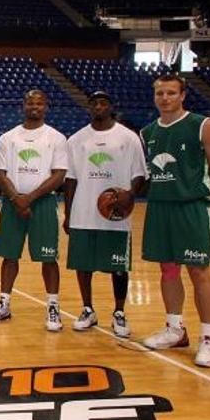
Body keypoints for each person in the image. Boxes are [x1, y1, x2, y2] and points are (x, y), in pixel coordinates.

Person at [139, 73, 210, 367]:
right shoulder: (147, 132)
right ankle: (175, 329)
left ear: (183, 95)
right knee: (168, 270)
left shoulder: (203, 126)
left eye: (171, 93)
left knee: (199, 272)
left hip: (192, 207)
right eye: (160, 93)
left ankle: (209, 339)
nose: (165, 98)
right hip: (159, 207)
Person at [63, 91, 146, 337]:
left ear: (111, 106)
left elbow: (140, 174)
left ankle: (119, 312)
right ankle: (88, 309)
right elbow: (70, 179)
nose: (98, 106)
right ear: (89, 107)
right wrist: (68, 214)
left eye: (103, 103)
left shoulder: (128, 137)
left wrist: (130, 194)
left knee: (118, 266)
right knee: (83, 264)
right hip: (83, 211)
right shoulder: (77, 140)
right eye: (94, 103)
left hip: (115, 213)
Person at [0, 89, 68, 331]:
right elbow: (0, 173)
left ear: (46, 106)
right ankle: (4, 303)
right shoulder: (8, 138)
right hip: (12, 203)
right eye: (30, 102)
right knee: (9, 256)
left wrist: (29, 198)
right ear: (23, 105)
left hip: (42, 203)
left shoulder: (56, 138)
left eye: (39, 102)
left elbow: (59, 174)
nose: (34, 106)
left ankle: (53, 307)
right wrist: (16, 198)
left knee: (48, 258)